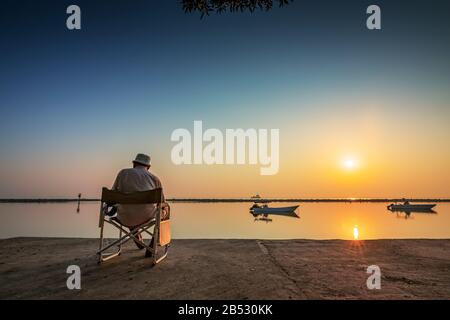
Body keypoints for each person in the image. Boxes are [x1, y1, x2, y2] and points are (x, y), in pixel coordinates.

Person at [110, 153, 170, 257]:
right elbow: (162, 202)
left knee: (129, 211)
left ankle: (139, 241)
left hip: (124, 217)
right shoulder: (154, 179)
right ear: (149, 167)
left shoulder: (123, 173)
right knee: (165, 209)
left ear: (134, 164)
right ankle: (152, 246)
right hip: (146, 216)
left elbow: (112, 194)